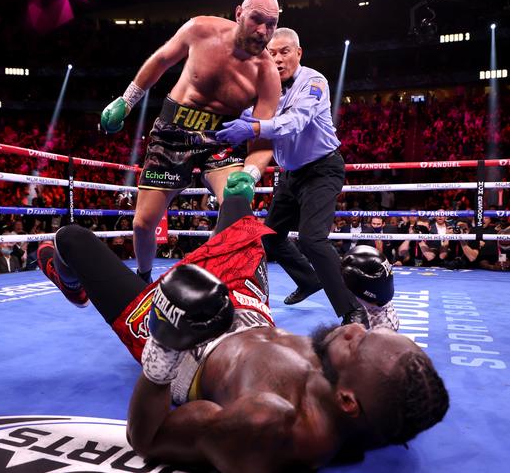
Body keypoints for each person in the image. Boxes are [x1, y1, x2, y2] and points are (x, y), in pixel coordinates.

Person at [37, 195, 445, 472]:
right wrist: (382, 304)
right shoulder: (377, 401)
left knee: (71, 239)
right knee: (237, 204)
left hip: (192, 339)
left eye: (357, 343)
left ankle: (69, 279)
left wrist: (165, 343)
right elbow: (385, 360)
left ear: (346, 400)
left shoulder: (268, 425)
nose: (355, 328)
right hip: (250, 310)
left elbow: (148, 438)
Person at [100, 0, 282, 283]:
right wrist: (127, 100)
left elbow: (262, 140)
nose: (262, 31)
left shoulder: (267, 75)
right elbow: (161, 60)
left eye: (270, 25)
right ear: (239, 13)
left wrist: (249, 174)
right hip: (173, 132)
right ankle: (143, 280)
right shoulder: (200, 30)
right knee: (143, 223)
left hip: (221, 140)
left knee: (235, 204)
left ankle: (210, 278)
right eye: (256, 20)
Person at [215, 27, 369, 326]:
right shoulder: (267, 88)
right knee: (269, 239)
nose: (277, 58)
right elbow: (249, 116)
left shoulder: (313, 81)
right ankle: (309, 280)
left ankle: (353, 308)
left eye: (284, 51)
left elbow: (296, 121)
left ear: (298, 53)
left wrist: (253, 129)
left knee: (312, 239)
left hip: (322, 168)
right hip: (290, 175)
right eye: (271, 53)